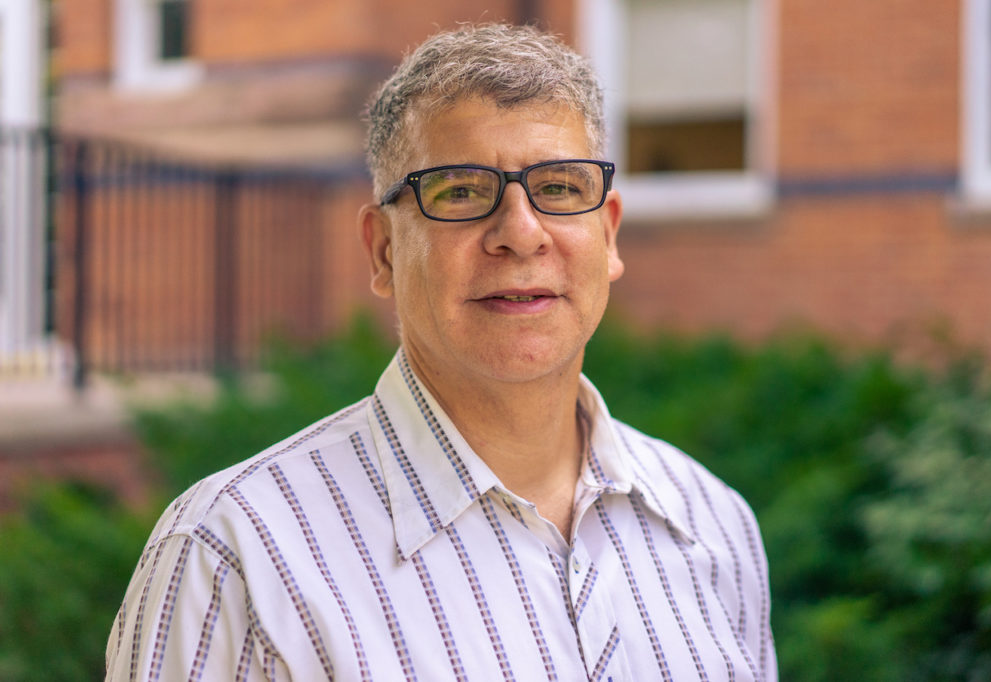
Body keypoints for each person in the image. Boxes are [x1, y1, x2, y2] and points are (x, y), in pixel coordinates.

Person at [106, 23, 776, 681]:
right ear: (383, 250)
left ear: (609, 234)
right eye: (461, 192)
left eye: (561, 188)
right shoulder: (235, 556)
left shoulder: (712, 522)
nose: (520, 233)